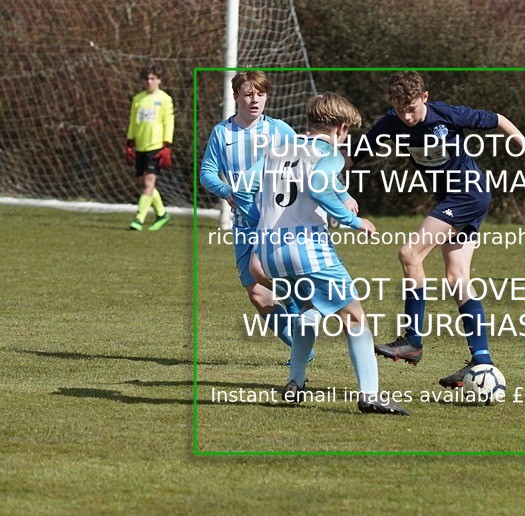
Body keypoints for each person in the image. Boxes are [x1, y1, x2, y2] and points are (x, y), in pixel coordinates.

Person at [345, 71, 525, 389]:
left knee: (409, 253)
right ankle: (482, 359)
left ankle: (413, 340)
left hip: (469, 194)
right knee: (457, 278)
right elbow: (355, 155)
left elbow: (499, 119)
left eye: (412, 108)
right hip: (453, 199)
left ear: (425, 98)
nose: (407, 116)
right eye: (400, 109)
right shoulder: (392, 122)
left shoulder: (447, 114)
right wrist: (325, 171)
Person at [249, 92, 409, 415]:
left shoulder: (278, 150)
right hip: (307, 249)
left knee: (311, 309)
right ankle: (370, 395)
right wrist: (353, 220)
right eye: (347, 131)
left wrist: (342, 193)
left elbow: (255, 193)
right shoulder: (330, 154)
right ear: (339, 128)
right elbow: (319, 184)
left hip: (269, 252)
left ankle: (295, 382)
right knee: (355, 316)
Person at [199, 71, 308, 362]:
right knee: (258, 295)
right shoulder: (222, 133)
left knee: (282, 281)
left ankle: (301, 347)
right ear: (236, 96)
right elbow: (207, 173)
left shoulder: (280, 131)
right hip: (245, 224)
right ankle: (302, 345)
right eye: (248, 94)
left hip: (279, 223)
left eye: (259, 94)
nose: (254, 100)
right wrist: (227, 191)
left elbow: (303, 167)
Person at [126, 65, 173, 231]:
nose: (149, 82)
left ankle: (139, 218)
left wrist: (167, 145)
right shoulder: (138, 99)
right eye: (147, 79)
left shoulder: (165, 99)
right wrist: (129, 142)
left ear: (159, 80)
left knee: (149, 181)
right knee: (143, 183)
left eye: (153, 78)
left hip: (156, 146)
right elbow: (133, 121)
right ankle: (161, 214)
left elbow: (168, 122)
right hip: (140, 145)